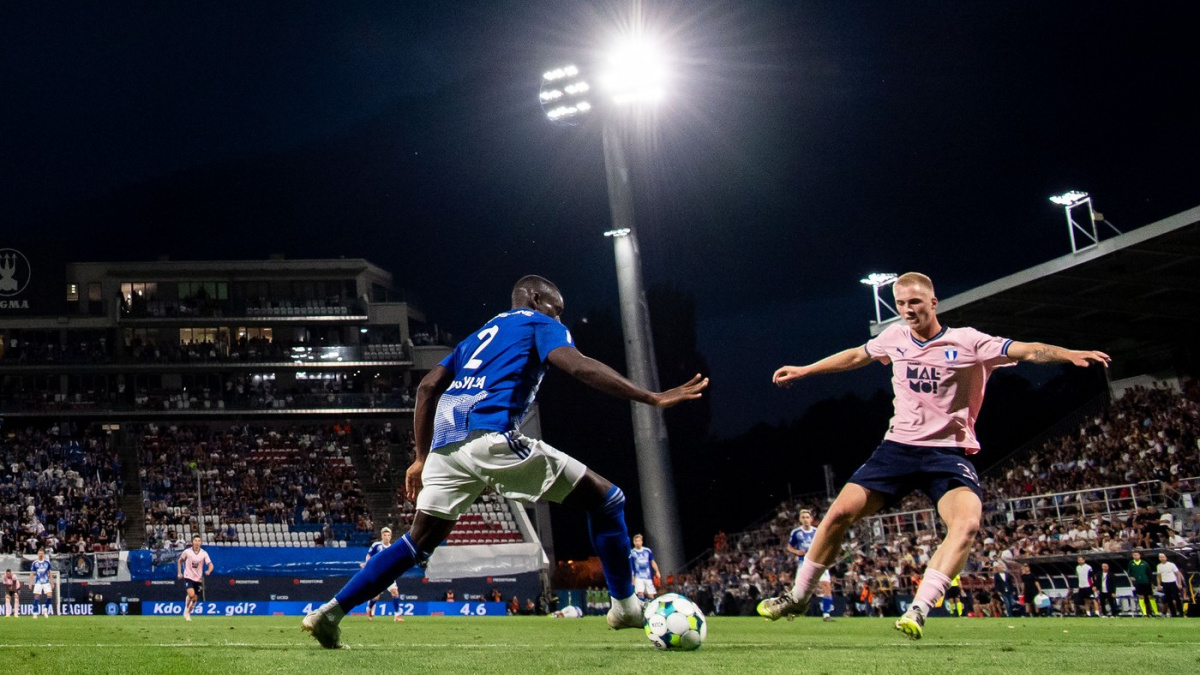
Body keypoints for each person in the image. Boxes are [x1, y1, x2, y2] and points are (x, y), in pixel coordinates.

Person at [302, 275, 708, 648]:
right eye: (557, 307)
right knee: (608, 500)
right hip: (489, 436)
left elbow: (427, 388)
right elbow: (579, 367)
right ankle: (625, 608)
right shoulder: (538, 323)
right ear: (534, 299)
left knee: (415, 543)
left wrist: (421, 458)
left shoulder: (479, 335)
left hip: (446, 445)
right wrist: (651, 396)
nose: (559, 315)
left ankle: (329, 613)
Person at [756, 272, 1109, 641]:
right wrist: (806, 369)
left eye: (915, 303)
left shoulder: (968, 341)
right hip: (897, 449)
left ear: (933, 303)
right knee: (839, 513)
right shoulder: (894, 337)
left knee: (967, 525)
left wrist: (1066, 354)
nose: (908, 310)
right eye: (902, 304)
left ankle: (920, 608)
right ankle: (797, 596)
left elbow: (1027, 349)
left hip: (947, 453)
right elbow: (858, 355)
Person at [786, 510, 834, 621]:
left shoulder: (818, 531)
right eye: (803, 517)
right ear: (800, 519)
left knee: (826, 586)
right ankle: (791, 611)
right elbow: (789, 547)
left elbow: (825, 545)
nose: (805, 519)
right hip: (804, 563)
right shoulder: (796, 532)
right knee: (799, 591)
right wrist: (796, 552)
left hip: (818, 563)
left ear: (811, 519)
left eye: (807, 517)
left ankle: (826, 614)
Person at [362, 527, 404, 623]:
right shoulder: (376, 545)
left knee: (395, 592)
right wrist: (367, 565)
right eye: (384, 535)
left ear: (391, 536)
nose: (386, 537)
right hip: (378, 574)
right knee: (376, 597)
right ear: (381, 536)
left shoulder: (393, 547)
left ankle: (397, 616)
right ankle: (369, 608)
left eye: (388, 535)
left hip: (389, 574)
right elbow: (369, 556)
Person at [176, 534, 213, 621]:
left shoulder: (204, 553)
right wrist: (179, 572)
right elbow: (180, 561)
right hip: (188, 576)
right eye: (195, 540)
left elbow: (210, 565)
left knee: (195, 599)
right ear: (192, 542)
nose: (197, 542)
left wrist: (209, 570)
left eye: (198, 541)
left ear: (200, 542)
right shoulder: (187, 552)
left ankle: (188, 612)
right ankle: (186, 611)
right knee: (191, 594)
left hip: (198, 579)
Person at [630, 534, 661, 601]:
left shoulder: (647, 551)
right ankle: (642, 609)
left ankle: (651, 609)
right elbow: (631, 566)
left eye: (639, 541)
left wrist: (657, 571)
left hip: (647, 577)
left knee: (651, 595)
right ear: (634, 542)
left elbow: (652, 562)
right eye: (636, 541)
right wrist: (632, 578)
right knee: (640, 594)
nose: (638, 543)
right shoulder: (632, 553)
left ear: (642, 542)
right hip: (638, 577)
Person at [1128, 551, 1157, 616]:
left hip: (1146, 582)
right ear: (1133, 556)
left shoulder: (1144, 563)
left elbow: (1149, 573)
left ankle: (1155, 611)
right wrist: (1131, 577)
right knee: (1141, 596)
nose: (1136, 556)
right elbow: (1129, 572)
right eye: (1134, 555)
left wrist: (1152, 582)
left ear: (1139, 555)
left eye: (1137, 555)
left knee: (1150, 596)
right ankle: (1144, 612)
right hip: (1138, 583)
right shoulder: (1131, 563)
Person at [29, 549, 54, 619]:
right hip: (38, 582)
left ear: (43, 554)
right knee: (37, 596)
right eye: (39, 553)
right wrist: (30, 583)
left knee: (50, 595)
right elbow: (32, 573)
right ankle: (35, 612)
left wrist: (52, 582)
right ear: (38, 554)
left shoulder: (47, 563)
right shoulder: (35, 563)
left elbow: (50, 573)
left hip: (46, 582)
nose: (41, 554)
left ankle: (45, 610)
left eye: (42, 553)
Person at [1156, 553, 1183, 618]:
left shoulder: (1171, 565)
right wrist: (1159, 585)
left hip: (1173, 582)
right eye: (1161, 557)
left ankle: (1181, 612)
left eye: (1163, 557)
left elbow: (1178, 574)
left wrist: (1179, 583)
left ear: (1166, 557)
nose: (1162, 558)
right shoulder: (1159, 566)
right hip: (1165, 583)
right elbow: (1159, 576)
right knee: (1169, 599)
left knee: (1176, 598)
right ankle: (1173, 613)